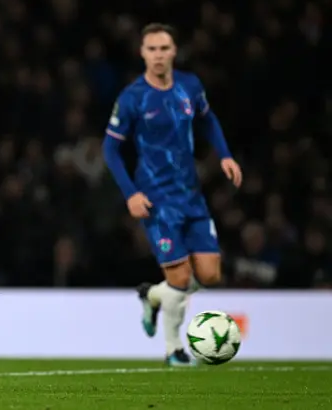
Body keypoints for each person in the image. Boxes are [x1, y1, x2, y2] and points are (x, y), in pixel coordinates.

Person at [102, 23, 243, 366]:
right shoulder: (133, 98)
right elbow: (110, 149)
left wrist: (224, 153)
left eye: (164, 48)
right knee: (179, 278)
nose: (158, 55)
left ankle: (152, 297)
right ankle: (172, 349)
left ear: (174, 51)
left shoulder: (189, 86)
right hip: (156, 199)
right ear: (142, 53)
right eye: (152, 49)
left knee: (210, 275)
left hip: (191, 196)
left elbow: (208, 120)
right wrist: (131, 195)